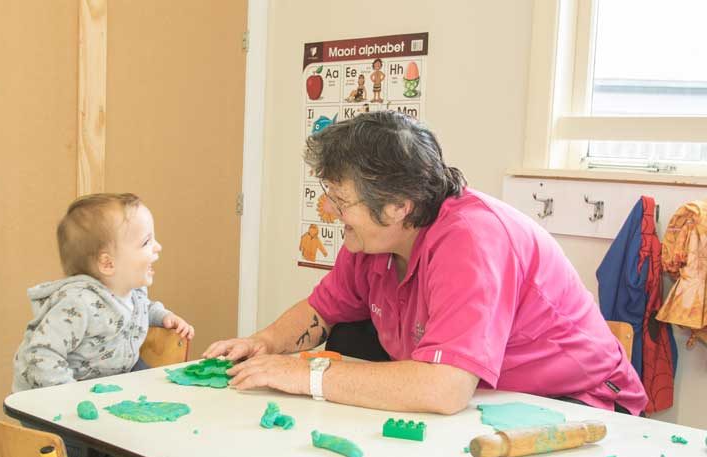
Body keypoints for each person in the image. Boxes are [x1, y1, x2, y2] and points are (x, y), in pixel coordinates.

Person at [204, 111, 648, 416]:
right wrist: (264, 343)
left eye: (341, 201)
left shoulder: (472, 241)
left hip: (578, 403)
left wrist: (307, 373)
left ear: (399, 205)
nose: (331, 212)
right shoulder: (371, 241)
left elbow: (443, 388)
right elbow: (322, 310)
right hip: (485, 397)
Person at [12, 193, 194, 457]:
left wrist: (163, 316)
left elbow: (141, 307)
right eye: (146, 242)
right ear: (108, 263)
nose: (158, 247)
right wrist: (72, 397)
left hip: (108, 377)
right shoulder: (77, 304)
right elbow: (40, 355)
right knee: (90, 453)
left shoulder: (129, 289)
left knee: (159, 391)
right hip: (52, 403)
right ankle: (113, 446)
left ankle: (133, 440)